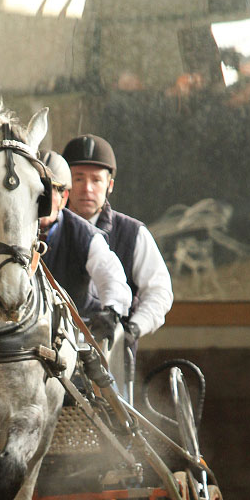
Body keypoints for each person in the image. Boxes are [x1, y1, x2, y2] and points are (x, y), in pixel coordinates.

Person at [61, 134, 173, 347]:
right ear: (65, 184)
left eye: (96, 180)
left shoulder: (133, 233)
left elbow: (159, 292)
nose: (87, 188)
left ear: (109, 185)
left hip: (113, 352)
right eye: (78, 178)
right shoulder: (46, 230)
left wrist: (132, 329)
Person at [38, 151, 131, 345]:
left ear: (64, 198)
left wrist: (111, 313)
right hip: (23, 336)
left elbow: (111, 275)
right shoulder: (10, 231)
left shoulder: (85, 235)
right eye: (35, 190)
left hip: (75, 335)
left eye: (50, 191)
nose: (41, 199)